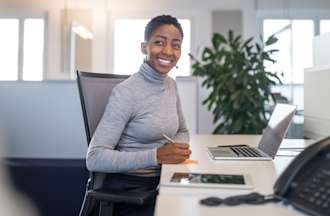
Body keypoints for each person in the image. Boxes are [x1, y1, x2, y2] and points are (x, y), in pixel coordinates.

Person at [86, 15, 191, 216]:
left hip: (163, 180)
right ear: (144, 47)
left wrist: (174, 150)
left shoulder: (171, 85)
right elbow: (94, 158)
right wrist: (157, 156)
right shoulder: (126, 92)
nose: (168, 51)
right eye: (159, 42)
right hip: (133, 191)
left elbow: (183, 131)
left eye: (175, 45)